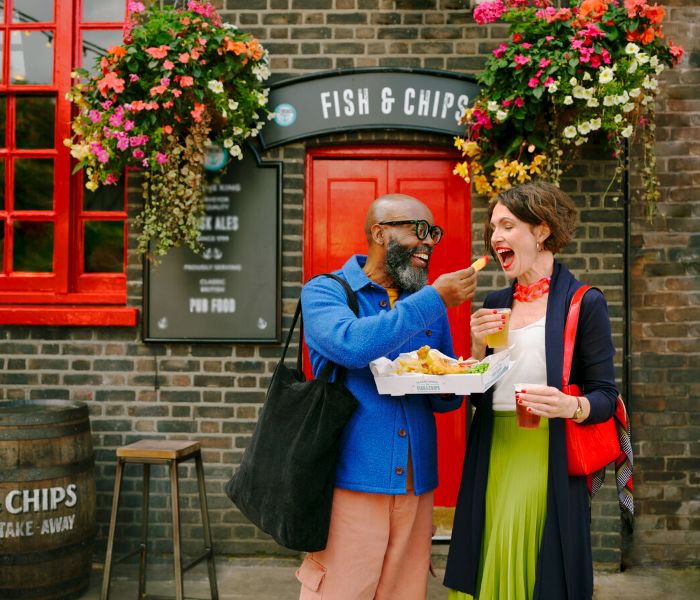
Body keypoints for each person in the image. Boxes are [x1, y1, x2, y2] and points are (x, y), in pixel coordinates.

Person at [296, 193, 478, 600]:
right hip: (349, 483)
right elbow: (352, 346)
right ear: (379, 232)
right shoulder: (326, 291)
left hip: (416, 488)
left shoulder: (425, 302)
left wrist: (466, 372)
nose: (429, 242)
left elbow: (444, 398)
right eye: (418, 230)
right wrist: (434, 300)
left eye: (433, 233)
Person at [443, 182, 619, 600]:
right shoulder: (496, 300)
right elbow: (475, 392)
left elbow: (605, 397)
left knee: (535, 560)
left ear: (541, 231)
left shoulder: (582, 301)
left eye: (507, 225)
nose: (494, 236)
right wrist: (474, 350)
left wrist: (570, 405)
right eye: (492, 228)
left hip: (547, 450)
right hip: (492, 447)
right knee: (486, 552)